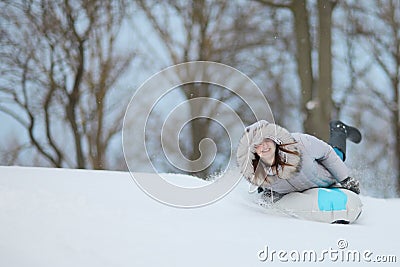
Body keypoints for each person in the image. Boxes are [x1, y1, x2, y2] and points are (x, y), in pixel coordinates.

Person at [236, 120, 361, 203]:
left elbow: (327, 153)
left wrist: (345, 179)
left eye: (266, 141)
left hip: (325, 176)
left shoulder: (300, 143)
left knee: (336, 155)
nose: (264, 147)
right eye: (258, 144)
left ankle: (339, 130)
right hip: (307, 192)